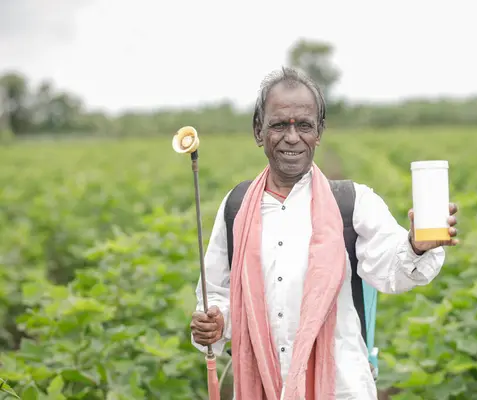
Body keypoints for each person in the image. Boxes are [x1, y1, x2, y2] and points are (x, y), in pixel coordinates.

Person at [190, 67, 459, 400]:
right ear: (259, 131)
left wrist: (417, 247)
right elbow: (217, 293)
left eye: (304, 125)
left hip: (341, 389)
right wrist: (214, 322)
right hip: (261, 385)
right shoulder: (237, 207)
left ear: (319, 132)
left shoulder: (351, 202)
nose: (292, 137)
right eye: (278, 125)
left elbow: (393, 270)